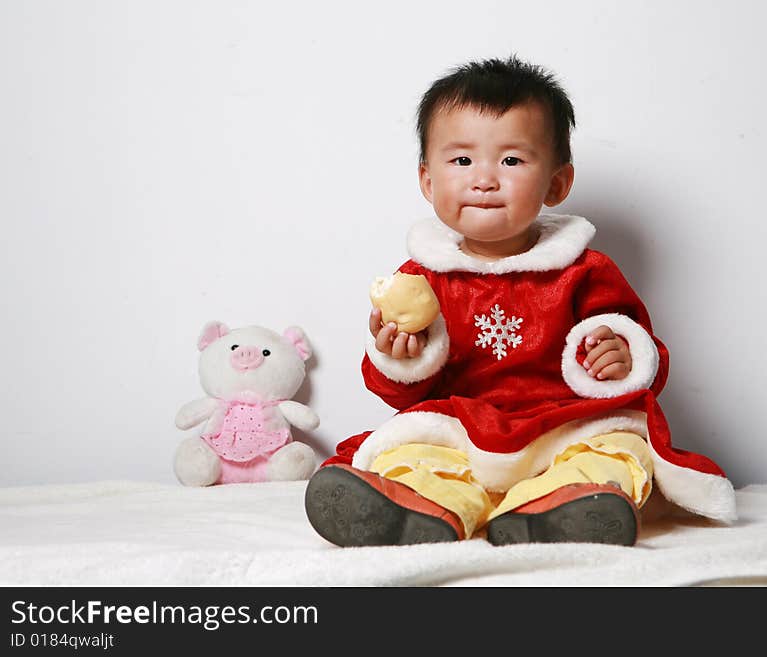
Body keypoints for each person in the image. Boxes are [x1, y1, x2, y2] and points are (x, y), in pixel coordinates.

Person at [304, 55, 736, 547]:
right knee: (409, 453)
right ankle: (426, 507)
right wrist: (400, 356)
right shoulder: (422, 278)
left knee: (620, 448)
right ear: (427, 181)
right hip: (461, 429)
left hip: (563, 428)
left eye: (511, 160)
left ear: (556, 184)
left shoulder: (583, 271)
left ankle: (562, 504)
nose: (484, 179)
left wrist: (621, 355)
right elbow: (399, 393)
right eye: (462, 160)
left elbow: (645, 365)